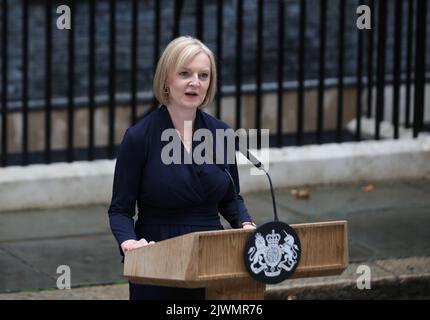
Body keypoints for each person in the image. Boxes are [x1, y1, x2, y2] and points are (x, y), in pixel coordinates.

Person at [108, 36, 256, 300]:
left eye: (203, 75)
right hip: (158, 256)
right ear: (166, 79)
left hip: (212, 255)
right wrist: (129, 243)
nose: (194, 82)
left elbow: (231, 198)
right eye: (185, 73)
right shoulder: (140, 137)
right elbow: (120, 210)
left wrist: (245, 224)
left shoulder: (220, 133)